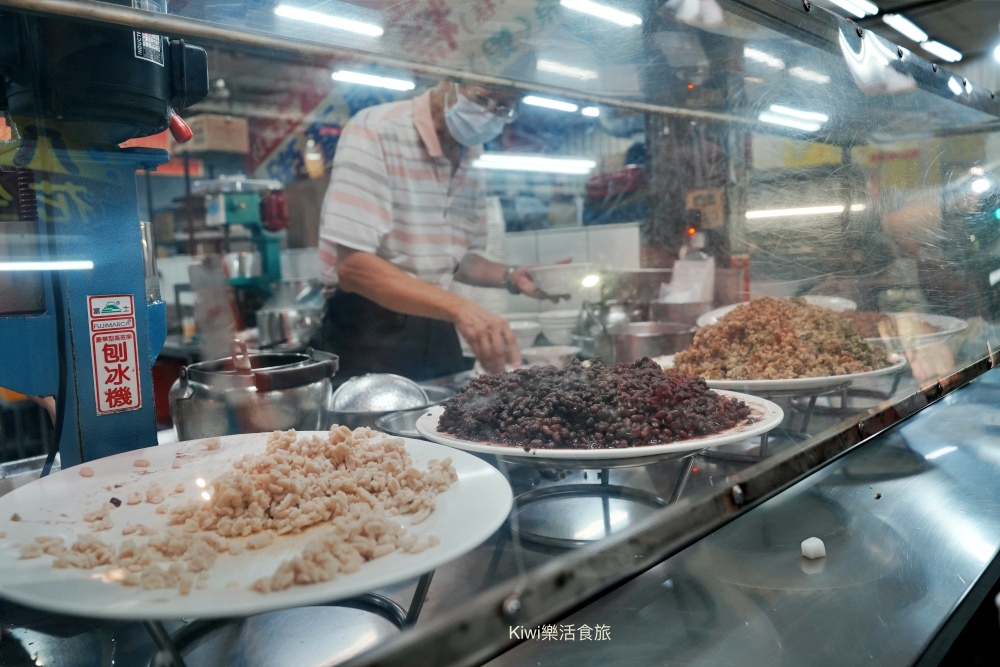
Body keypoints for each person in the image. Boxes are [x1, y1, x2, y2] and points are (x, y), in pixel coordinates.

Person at [313, 80, 561, 381]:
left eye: (504, 107)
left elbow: (455, 260)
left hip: (438, 326)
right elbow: (353, 268)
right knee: (371, 430)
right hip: (370, 333)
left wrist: (511, 275)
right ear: (445, 81)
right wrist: (461, 307)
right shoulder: (376, 129)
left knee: (450, 422)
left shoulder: (471, 153)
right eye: (482, 96)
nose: (489, 113)